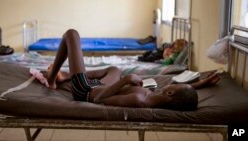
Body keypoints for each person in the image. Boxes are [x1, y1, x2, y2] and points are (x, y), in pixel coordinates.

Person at [40, 29, 220, 111]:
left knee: (72, 34)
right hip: (100, 85)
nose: (171, 84)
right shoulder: (159, 97)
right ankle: (65, 76)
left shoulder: (140, 100)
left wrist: (126, 81)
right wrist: (202, 83)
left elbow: (99, 99)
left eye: (173, 87)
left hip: (85, 91)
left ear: (171, 92)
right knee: (114, 68)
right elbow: (182, 94)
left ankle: (52, 79)